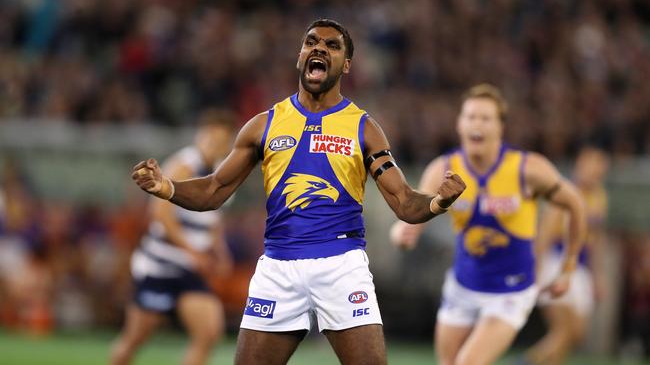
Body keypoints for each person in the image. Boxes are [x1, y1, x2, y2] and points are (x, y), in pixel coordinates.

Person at [131, 19, 466, 365]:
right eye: (311, 42)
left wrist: (439, 201)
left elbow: (404, 201)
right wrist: (167, 187)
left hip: (341, 265)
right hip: (278, 268)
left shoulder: (364, 128)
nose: (319, 48)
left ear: (346, 65)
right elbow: (214, 189)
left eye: (332, 45)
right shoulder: (264, 124)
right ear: (300, 55)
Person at [390, 84, 587, 365]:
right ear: (459, 124)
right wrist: (401, 234)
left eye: (485, 118)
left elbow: (575, 204)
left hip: (510, 292)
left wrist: (568, 268)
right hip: (463, 285)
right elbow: (411, 221)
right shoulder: (442, 170)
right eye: (470, 117)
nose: (476, 124)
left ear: (500, 127)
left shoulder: (527, 169)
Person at [111, 109, 235, 365]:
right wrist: (192, 252)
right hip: (161, 265)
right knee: (136, 337)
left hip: (190, 268)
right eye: (211, 138)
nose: (215, 145)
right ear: (201, 136)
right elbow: (160, 215)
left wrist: (220, 251)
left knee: (209, 332)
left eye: (222, 141)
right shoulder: (184, 164)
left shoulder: (222, 173)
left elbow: (213, 220)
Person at [525, 146, 610, 365]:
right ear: (580, 165)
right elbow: (544, 233)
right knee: (563, 331)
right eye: (590, 164)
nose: (594, 171)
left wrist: (597, 276)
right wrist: (535, 270)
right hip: (556, 262)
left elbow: (595, 240)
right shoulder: (565, 193)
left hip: (579, 268)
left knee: (576, 334)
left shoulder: (598, 196)